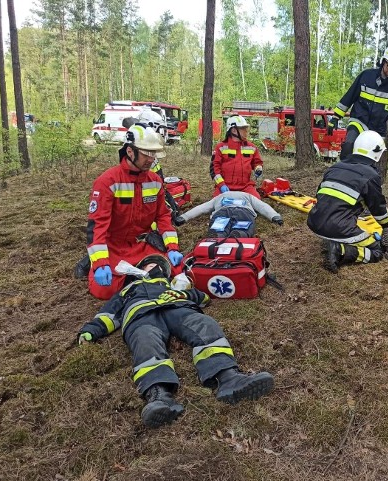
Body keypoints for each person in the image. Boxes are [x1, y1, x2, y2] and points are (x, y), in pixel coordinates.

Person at [78, 254, 274, 429]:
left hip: (177, 308)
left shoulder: (172, 283)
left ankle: (229, 377)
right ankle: (159, 396)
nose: (157, 268)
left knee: (204, 324)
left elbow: (203, 297)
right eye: (151, 265)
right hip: (142, 317)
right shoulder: (126, 290)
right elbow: (108, 315)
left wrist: (182, 294)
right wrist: (90, 332)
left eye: (160, 266)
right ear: (139, 268)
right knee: (145, 342)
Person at [85, 124, 183, 300]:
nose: (151, 159)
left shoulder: (155, 181)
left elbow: (163, 217)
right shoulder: (107, 182)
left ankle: (136, 278)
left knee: (176, 270)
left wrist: (172, 248)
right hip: (113, 247)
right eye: (147, 154)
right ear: (130, 152)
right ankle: (92, 264)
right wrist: (100, 263)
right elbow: (97, 226)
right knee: (103, 290)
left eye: (154, 154)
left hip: (141, 244)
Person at [307, 130, 388, 272]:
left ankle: (335, 243)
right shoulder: (370, 175)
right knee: (378, 251)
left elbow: (320, 196)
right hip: (338, 228)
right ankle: (340, 251)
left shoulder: (335, 167)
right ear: (377, 152)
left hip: (314, 222)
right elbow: (378, 209)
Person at [328, 42, 388, 160]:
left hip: (378, 129)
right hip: (358, 121)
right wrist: (335, 117)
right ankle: (343, 173)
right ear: (383, 62)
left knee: (370, 159)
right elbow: (349, 96)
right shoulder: (366, 76)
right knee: (349, 146)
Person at [174, 190, 284, 238]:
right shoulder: (248, 196)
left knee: (219, 227)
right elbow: (262, 206)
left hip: (222, 212)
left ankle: (218, 235)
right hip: (243, 212)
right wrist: (274, 216)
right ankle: (240, 234)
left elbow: (202, 208)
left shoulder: (220, 197)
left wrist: (184, 217)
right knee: (243, 226)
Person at [211, 115, 263, 199]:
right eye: (243, 128)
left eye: (246, 128)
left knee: (256, 200)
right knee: (218, 202)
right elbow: (215, 170)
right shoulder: (220, 147)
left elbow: (257, 162)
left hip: (245, 187)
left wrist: (258, 167)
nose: (246, 131)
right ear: (234, 130)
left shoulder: (252, 147)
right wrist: (221, 185)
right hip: (225, 186)